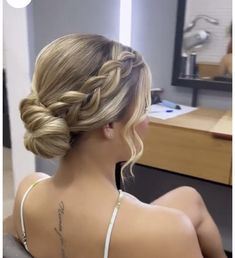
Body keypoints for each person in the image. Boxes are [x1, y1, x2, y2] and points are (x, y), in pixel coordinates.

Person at [10, 34, 226, 258]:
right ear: (110, 124)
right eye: (143, 107)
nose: (146, 119)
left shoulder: (28, 190)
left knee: (189, 197)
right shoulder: (171, 232)